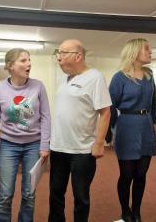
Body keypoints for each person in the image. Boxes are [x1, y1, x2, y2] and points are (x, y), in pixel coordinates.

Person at [0, 48, 51, 222]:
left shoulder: (38, 86)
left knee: (29, 195)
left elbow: (46, 117)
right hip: (8, 144)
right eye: (23, 60)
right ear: (10, 66)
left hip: (33, 145)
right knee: (5, 195)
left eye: (29, 60)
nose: (28, 63)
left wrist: (45, 145)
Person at [49, 39, 111, 222]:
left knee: (81, 197)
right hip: (58, 147)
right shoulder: (63, 79)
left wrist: (99, 143)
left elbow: (106, 112)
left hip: (82, 151)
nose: (58, 58)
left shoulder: (95, 77)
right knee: (55, 194)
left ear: (78, 56)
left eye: (62, 53)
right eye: (57, 53)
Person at [108, 38, 156, 222]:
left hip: (145, 126)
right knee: (127, 174)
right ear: (135, 52)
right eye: (147, 48)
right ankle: (125, 211)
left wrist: (154, 124)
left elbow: (152, 104)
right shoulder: (119, 77)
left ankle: (136, 211)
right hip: (127, 126)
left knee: (141, 174)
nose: (150, 52)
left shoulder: (149, 75)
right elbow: (110, 106)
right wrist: (110, 131)